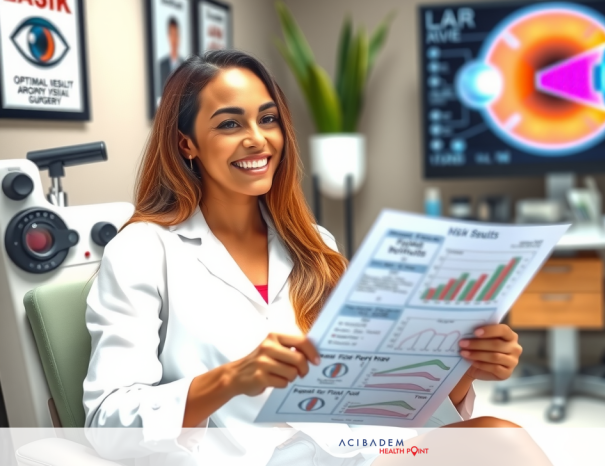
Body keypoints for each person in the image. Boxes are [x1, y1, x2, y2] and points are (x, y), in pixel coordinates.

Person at [83, 50, 524, 465]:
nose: (258, 139)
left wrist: (462, 370)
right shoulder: (142, 249)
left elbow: (367, 402)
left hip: (348, 450)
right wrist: (229, 380)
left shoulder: (314, 243)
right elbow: (106, 422)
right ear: (187, 145)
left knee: (499, 437)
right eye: (230, 124)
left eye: (267, 119)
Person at [157, 17, 182, 101]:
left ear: (179, 37)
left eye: (176, 34)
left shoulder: (185, 66)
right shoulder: (161, 65)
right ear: (168, 37)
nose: (174, 39)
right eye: (172, 34)